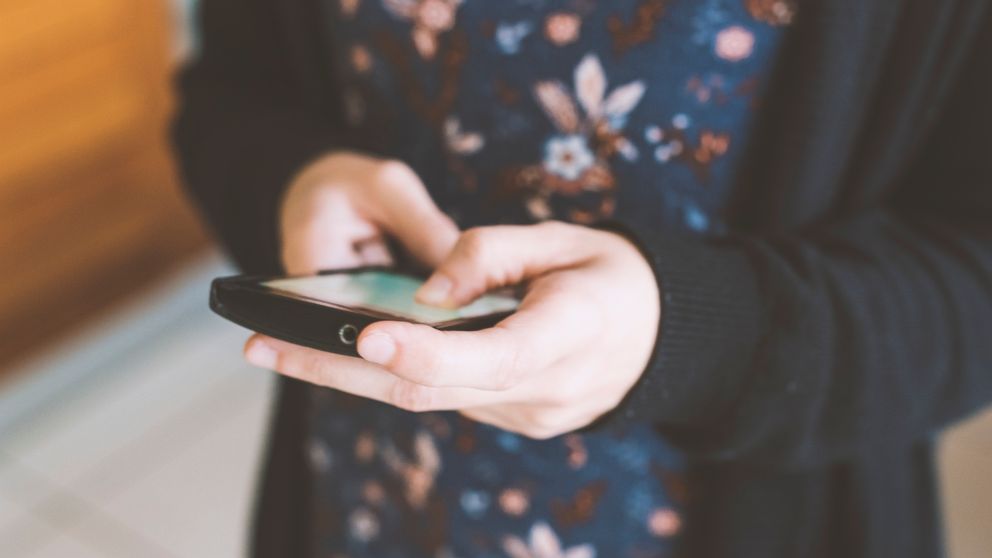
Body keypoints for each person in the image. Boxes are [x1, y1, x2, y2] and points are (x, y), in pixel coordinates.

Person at [172, 0, 992, 556]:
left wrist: (687, 335)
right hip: (369, 495)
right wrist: (293, 178)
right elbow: (226, 93)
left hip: (737, 505)